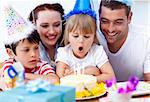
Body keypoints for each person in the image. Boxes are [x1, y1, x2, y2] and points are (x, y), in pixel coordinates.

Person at [1, 5, 59, 89]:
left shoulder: (41, 65)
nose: (33, 54)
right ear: (10, 53)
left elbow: (54, 80)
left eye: (36, 48)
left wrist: (24, 75)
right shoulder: (10, 66)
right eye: (26, 50)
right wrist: (40, 79)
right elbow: (12, 83)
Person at [56, 0, 115, 83]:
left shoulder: (97, 51)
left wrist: (86, 77)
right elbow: (61, 79)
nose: (81, 41)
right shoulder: (64, 53)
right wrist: (92, 71)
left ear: (93, 37)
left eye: (86, 36)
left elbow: (111, 77)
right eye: (75, 36)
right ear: (68, 36)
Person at [98, 0, 150, 81]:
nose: (110, 29)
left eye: (118, 22)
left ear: (129, 17)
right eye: (105, 21)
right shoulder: (89, 36)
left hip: (137, 93)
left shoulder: (146, 38)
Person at [28, 3, 65, 68]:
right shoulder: (26, 49)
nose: (52, 31)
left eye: (57, 25)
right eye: (45, 26)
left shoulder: (73, 43)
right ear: (34, 25)